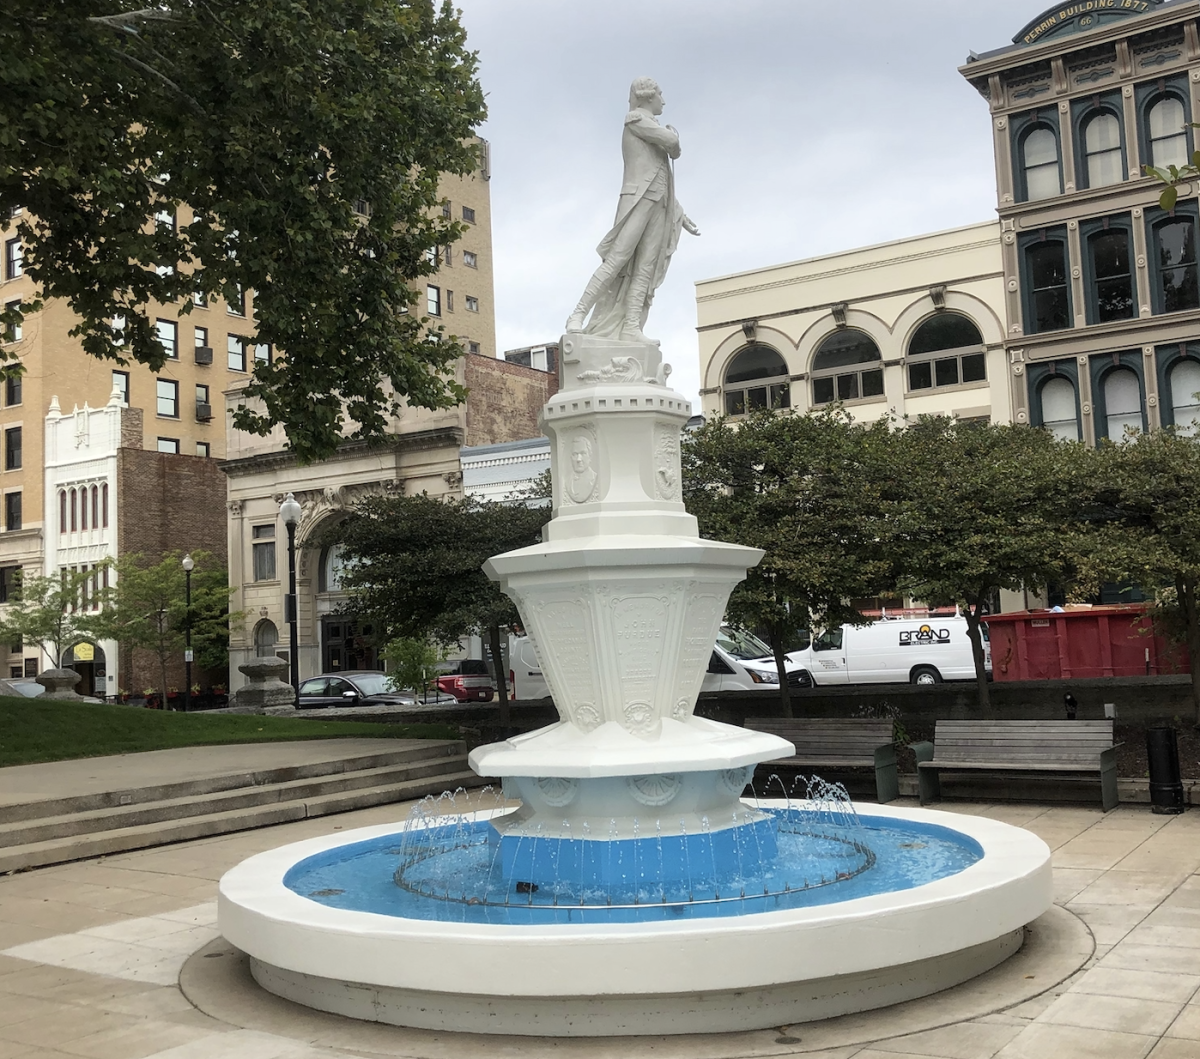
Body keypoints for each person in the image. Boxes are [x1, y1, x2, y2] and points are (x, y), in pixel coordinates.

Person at [565, 77, 700, 343]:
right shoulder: (636, 121)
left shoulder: (651, 128)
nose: (664, 100)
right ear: (647, 95)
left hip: (659, 205)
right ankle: (577, 315)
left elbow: (663, 170)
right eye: (660, 94)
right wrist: (674, 136)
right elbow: (673, 146)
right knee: (617, 259)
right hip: (638, 201)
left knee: (645, 268)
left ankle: (631, 327)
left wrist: (680, 214)